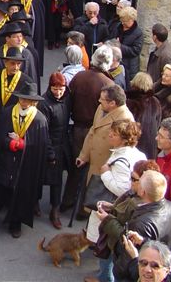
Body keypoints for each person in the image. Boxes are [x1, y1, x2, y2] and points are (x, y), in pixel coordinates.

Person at [0, 82, 51, 238]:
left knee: (20, 194)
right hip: (6, 160)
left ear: (34, 102)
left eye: (28, 100)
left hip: (25, 165)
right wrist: (8, 142)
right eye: (22, 99)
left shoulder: (39, 120)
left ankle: (15, 223)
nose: (24, 102)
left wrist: (23, 144)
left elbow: (40, 146)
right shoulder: (8, 113)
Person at [87, 159, 160, 282]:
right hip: (115, 247)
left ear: (144, 185)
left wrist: (106, 219)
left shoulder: (140, 206)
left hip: (120, 251)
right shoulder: (135, 194)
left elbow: (125, 234)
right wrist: (112, 207)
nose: (130, 181)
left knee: (113, 272)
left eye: (133, 179)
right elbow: (123, 211)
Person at [61, 45, 115, 211]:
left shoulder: (80, 76)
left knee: (76, 167)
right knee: (92, 170)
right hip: (96, 131)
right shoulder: (108, 83)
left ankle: (68, 201)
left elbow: (68, 102)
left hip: (77, 128)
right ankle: (84, 206)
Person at [85, 119, 147, 245]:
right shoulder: (138, 154)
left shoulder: (121, 160)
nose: (110, 135)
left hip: (113, 206)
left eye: (114, 134)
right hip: (125, 208)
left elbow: (122, 189)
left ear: (124, 139)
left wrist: (105, 173)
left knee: (107, 244)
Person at [111, 171, 171, 280]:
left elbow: (125, 261)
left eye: (139, 181)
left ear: (142, 192)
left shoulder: (140, 224)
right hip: (159, 270)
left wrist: (117, 272)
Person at [77, 85, 136, 182]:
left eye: (102, 99)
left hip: (107, 169)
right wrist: (84, 156)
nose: (99, 100)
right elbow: (93, 131)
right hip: (94, 163)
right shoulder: (101, 108)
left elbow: (125, 149)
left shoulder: (125, 119)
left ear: (112, 103)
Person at [37, 72, 72, 229]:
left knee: (57, 180)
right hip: (48, 145)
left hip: (62, 144)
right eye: (55, 88)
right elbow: (45, 131)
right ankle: (34, 203)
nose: (58, 92)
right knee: (40, 177)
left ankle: (55, 210)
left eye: (61, 89)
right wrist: (50, 152)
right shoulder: (44, 104)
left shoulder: (66, 100)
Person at [126, 72, 163, 159]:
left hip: (134, 143)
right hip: (151, 144)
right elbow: (158, 122)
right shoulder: (155, 102)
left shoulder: (130, 102)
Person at [0, 46, 35, 112]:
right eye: (13, 63)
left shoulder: (27, 82)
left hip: (14, 118)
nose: (16, 67)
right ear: (5, 62)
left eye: (18, 64)